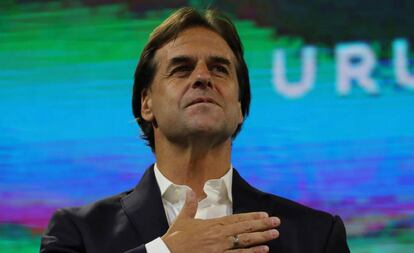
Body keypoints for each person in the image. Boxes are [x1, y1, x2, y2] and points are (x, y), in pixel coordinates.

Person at [40, 7, 350, 253]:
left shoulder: (315, 236)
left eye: (219, 69)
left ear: (240, 107)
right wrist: (164, 252)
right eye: (181, 69)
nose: (203, 77)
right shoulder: (78, 231)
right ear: (146, 103)